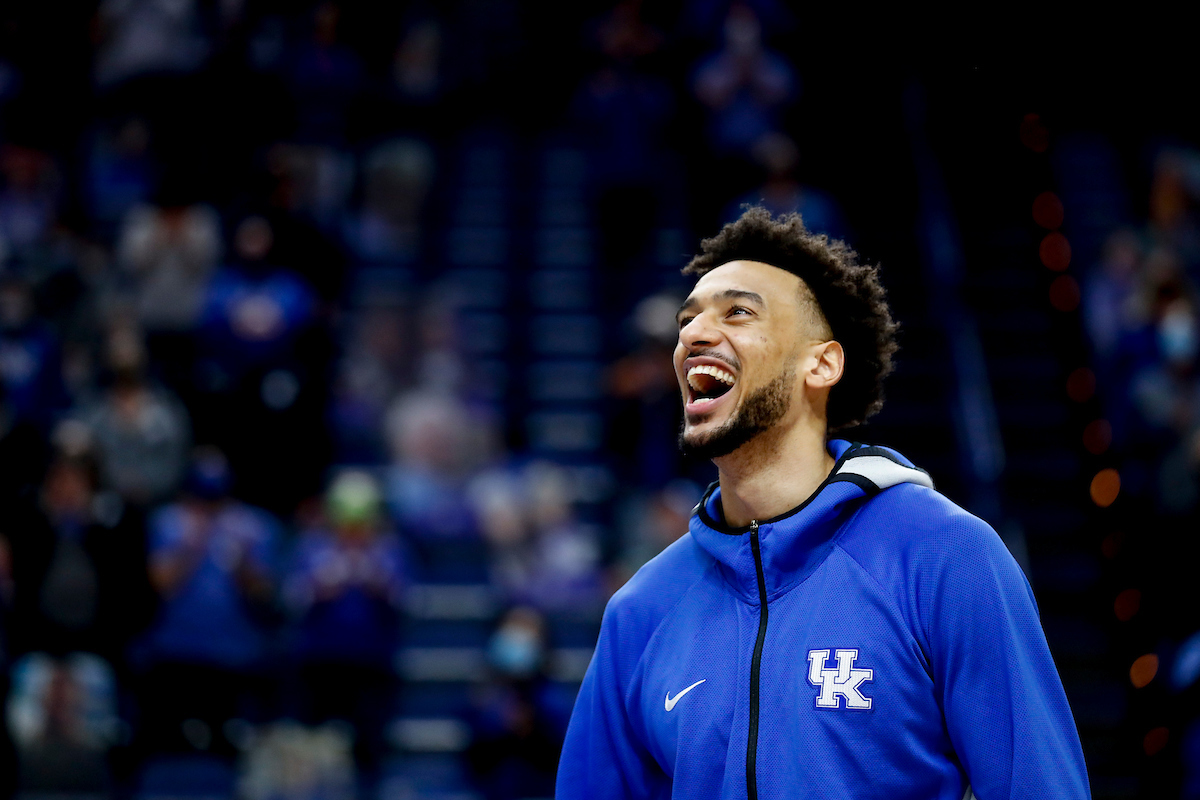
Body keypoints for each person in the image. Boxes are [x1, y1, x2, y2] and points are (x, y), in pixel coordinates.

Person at [556, 208, 1090, 799]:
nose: (692, 336)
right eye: (688, 322)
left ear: (822, 363)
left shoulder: (944, 555)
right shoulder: (640, 610)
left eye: (737, 312)